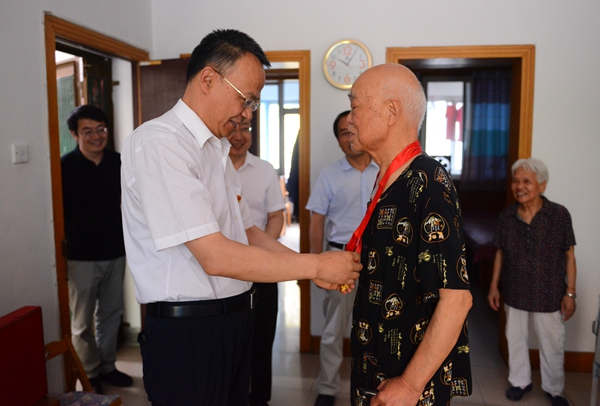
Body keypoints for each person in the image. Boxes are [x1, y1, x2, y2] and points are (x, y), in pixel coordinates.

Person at [120, 29, 361, 406]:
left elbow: (246, 230)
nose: (248, 113)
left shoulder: (215, 148)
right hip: (190, 332)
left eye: (254, 103)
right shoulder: (161, 144)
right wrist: (316, 265)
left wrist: (308, 267)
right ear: (208, 79)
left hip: (234, 320)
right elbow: (214, 255)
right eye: (245, 99)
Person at [346, 64, 473, 406]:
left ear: (391, 112)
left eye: (355, 106)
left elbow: (456, 300)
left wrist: (408, 385)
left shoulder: (428, 182)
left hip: (407, 384)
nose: (349, 120)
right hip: (376, 365)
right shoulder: (390, 178)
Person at [487, 158, 576, 406]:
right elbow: (500, 252)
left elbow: (569, 255)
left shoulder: (558, 215)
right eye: (516, 181)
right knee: (515, 338)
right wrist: (494, 286)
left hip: (549, 290)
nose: (519, 186)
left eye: (527, 181)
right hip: (514, 288)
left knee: (552, 342)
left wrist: (570, 293)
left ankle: (554, 389)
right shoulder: (507, 216)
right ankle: (520, 382)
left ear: (542, 185)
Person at [306, 110, 379, 406]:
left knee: (379, 326)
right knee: (333, 329)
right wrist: (316, 264)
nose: (350, 137)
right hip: (339, 258)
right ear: (338, 140)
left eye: (353, 129)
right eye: (343, 133)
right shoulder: (329, 175)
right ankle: (327, 388)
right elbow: (316, 221)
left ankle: (377, 386)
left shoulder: (384, 171)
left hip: (379, 260)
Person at [62, 105, 133, 394]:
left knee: (111, 314)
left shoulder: (119, 161)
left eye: (101, 129)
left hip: (116, 250)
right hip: (81, 256)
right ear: (74, 134)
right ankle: (89, 373)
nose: (96, 136)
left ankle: (107, 366)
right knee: (81, 322)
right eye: (88, 131)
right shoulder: (64, 167)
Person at [228, 120, 285, 406]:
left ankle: (260, 399)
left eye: (245, 129)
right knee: (230, 342)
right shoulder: (210, 167)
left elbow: (276, 216)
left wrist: (261, 251)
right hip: (224, 267)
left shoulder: (264, 169)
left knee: (262, 339)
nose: (239, 136)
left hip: (262, 268)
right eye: (232, 128)